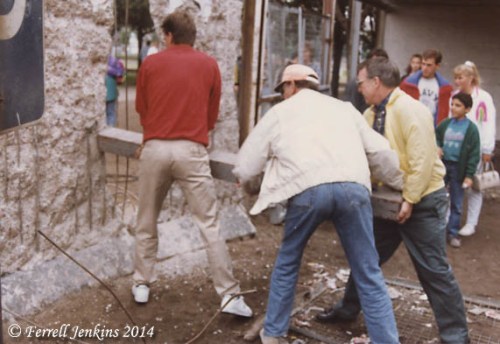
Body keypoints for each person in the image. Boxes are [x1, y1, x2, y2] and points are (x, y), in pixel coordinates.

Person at [234, 64, 402, 344]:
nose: (282, 95)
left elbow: (246, 163)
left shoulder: (280, 113)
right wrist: (399, 182)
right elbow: (381, 153)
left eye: (282, 89)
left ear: (291, 86)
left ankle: (273, 333)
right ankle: (386, 340)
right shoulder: (344, 108)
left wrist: (247, 181)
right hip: (353, 188)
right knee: (368, 269)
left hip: (309, 189)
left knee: (289, 260)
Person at [316, 57, 470, 344]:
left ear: (376, 82)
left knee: (433, 270)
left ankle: (456, 337)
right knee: (366, 258)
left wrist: (410, 199)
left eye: (361, 82)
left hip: (423, 200)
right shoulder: (370, 115)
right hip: (389, 198)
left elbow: (422, 160)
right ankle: (348, 309)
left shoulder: (411, 110)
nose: (359, 88)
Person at [132, 10, 252, 318]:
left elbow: (141, 109)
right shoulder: (209, 64)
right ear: (192, 36)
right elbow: (213, 112)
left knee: (146, 218)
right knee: (208, 224)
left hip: (155, 148)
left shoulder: (151, 63)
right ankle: (228, 295)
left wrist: (154, 132)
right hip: (192, 149)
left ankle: (142, 282)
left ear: (169, 35)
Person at [452, 61, 497, 237]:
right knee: (454, 182)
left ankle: (471, 222)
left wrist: (487, 148)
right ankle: (451, 218)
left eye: (460, 77)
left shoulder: (483, 98)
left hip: (475, 148)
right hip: (457, 146)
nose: (457, 81)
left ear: (471, 78)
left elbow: (487, 123)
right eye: (455, 77)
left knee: (474, 185)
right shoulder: (455, 96)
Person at [436, 92, 480, 248]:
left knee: (456, 202)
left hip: (458, 169)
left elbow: (474, 154)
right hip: (443, 166)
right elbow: (436, 137)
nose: (453, 108)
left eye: (458, 105)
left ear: (467, 109)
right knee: (437, 197)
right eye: (452, 104)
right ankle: (435, 231)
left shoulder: (471, 129)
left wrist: (469, 175)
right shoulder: (446, 124)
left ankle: (453, 232)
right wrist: (437, 147)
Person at [400, 49, 453, 127]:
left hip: (432, 128)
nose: (424, 68)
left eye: (429, 65)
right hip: (411, 126)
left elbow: (445, 113)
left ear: (437, 66)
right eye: (423, 64)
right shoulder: (408, 83)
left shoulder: (445, 87)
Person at [343, 48, 388, 112]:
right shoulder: (355, 84)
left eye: (380, 65)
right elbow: (348, 111)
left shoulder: (386, 87)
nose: (377, 68)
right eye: (374, 64)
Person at [105, 55, 125, 126]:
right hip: (111, 92)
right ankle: (111, 130)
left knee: (106, 113)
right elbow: (120, 76)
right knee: (111, 112)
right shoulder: (114, 61)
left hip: (103, 92)